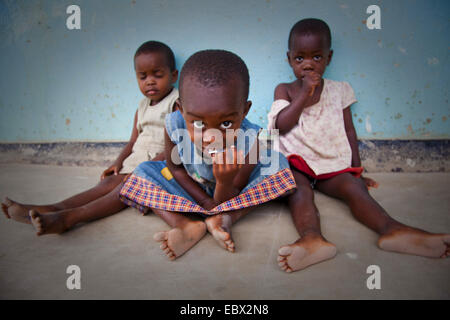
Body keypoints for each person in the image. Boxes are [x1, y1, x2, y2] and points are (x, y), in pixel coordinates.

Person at [267, 18, 450, 273]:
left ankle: (392, 229)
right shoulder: (285, 89)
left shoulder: (340, 90)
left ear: (329, 58)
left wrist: (357, 170)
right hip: (295, 159)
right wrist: (303, 95)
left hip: (330, 161)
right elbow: (280, 125)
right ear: (289, 59)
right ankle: (312, 239)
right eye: (300, 59)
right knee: (299, 192)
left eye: (316, 57)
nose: (308, 64)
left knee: (354, 188)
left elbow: (349, 131)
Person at [119, 49, 296, 260]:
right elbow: (176, 170)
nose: (212, 137)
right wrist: (204, 200)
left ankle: (227, 217)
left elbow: (233, 194)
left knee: (277, 165)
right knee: (144, 172)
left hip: (233, 194)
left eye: (226, 123)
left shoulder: (252, 140)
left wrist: (224, 182)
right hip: (191, 189)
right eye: (199, 123)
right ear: (180, 109)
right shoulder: (174, 125)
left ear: (244, 110)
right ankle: (185, 225)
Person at [1, 41, 179, 235]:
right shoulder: (142, 106)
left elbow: (176, 143)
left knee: (119, 192)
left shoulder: (175, 103)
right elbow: (132, 141)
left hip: (157, 167)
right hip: (134, 162)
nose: (150, 81)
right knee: (103, 186)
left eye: (158, 75)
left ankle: (69, 218)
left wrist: (147, 169)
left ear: (173, 75)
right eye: (143, 76)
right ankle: (53, 208)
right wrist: (117, 163)